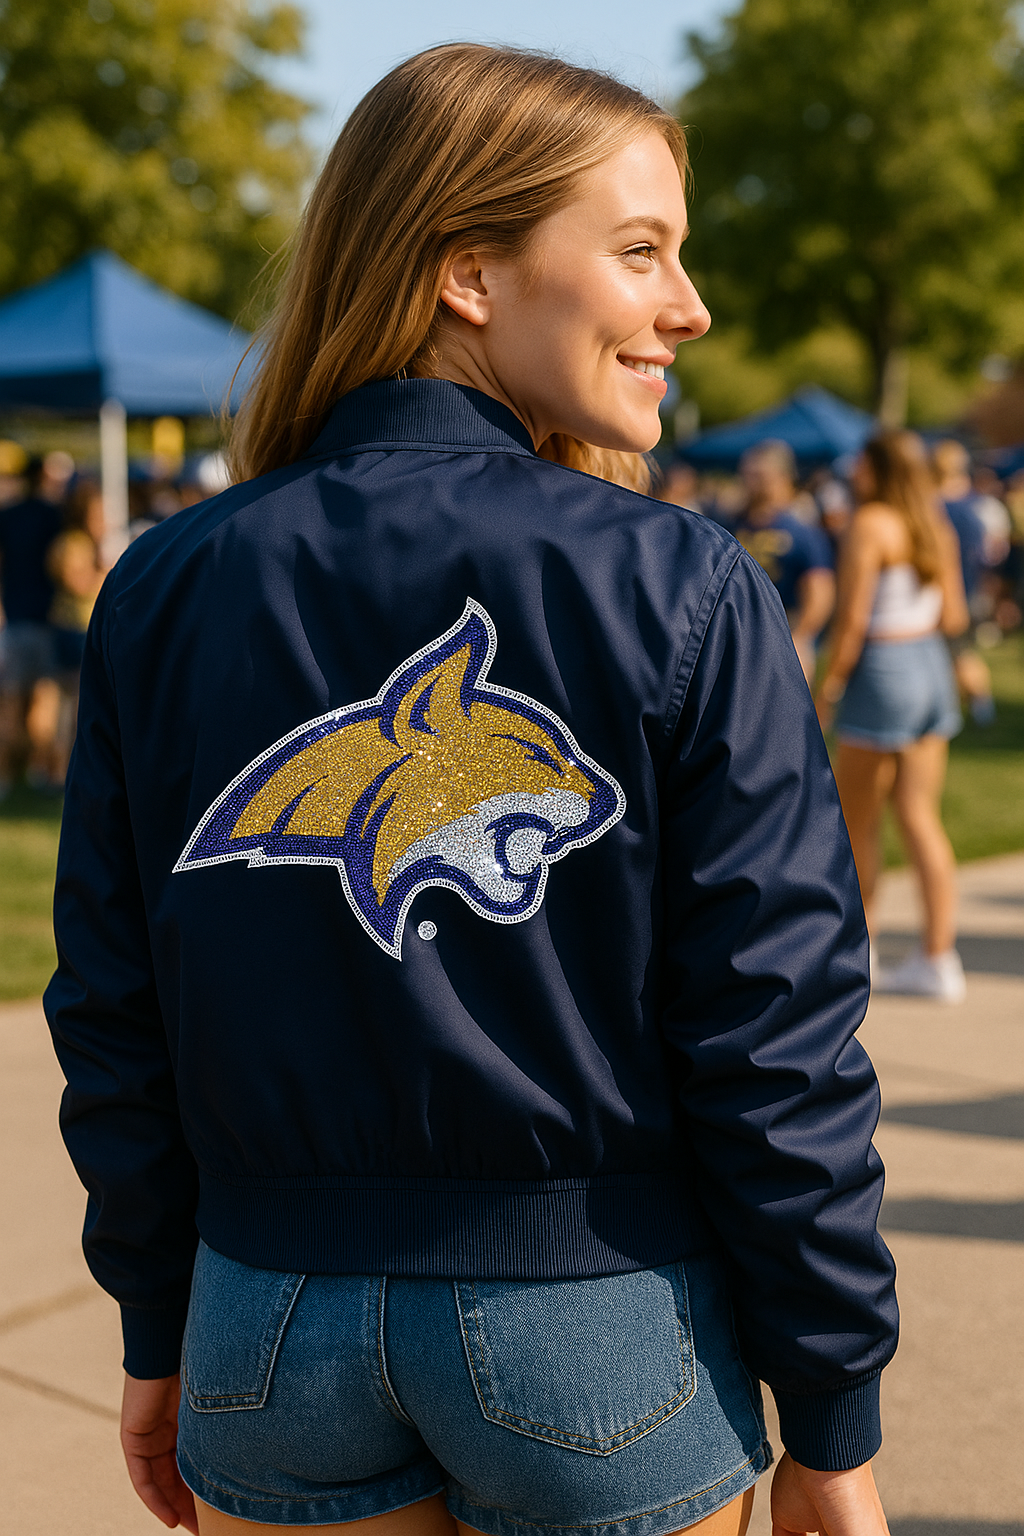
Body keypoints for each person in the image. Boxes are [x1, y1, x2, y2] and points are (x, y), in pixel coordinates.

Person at [46, 45, 897, 1536]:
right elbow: (775, 1038)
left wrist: (156, 1315)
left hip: (263, 1326)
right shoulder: (686, 582)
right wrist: (832, 1415)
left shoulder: (164, 584)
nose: (688, 308)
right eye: (642, 253)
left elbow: (117, 1011)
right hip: (599, 1332)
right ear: (470, 275)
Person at [816, 431, 969, 1002]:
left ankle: (864, 949)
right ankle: (938, 955)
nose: (853, 469)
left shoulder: (870, 523)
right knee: (921, 816)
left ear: (878, 469)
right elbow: (954, 612)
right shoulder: (933, 520)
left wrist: (827, 689)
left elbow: (851, 623)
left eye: (861, 461)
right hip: (930, 664)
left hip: (883, 668)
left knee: (859, 823)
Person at [729, 440, 836, 682]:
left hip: (784, 631)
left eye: (759, 476)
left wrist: (799, 638)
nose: (750, 482)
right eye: (746, 474)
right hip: (739, 634)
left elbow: (820, 591)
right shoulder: (732, 524)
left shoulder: (800, 529)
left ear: (782, 476)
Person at [0, 455, 64, 795]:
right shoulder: (51, 515)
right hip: (43, 617)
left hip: (15, 616)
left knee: (11, 701)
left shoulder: (8, 515)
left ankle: (8, 776)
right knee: (42, 700)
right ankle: (39, 773)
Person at [931, 439, 997, 724]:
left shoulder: (937, 507)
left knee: (958, 655)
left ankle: (981, 709)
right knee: (960, 652)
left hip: (947, 594)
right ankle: (978, 709)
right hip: (971, 589)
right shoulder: (974, 505)